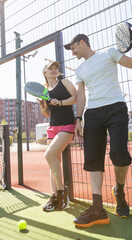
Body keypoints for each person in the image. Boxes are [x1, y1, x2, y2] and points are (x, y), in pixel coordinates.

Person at [64, 27, 132, 227]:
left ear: (83, 42)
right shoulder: (79, 70)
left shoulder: (110, 53)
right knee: (93, 160)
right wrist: (78, 118)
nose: (72, 52)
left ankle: (119, 189)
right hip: (93, 114)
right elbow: (82, 95)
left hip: (115, 108)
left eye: (73, 47)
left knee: (119, 155)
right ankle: (97, 209)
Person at [38, 60, 77, 212]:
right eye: (50, 68)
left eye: (56, 68)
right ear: (45, 73)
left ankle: (61, 191)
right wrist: (42, 106)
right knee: (52, 162)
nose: (54, 70)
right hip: (52, 127)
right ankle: (55, 196)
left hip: (67, 125)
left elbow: (75, 98)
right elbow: (48, 113)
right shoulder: (44, 90)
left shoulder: (65, 82)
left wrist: (60, 102)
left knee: (49, 155)